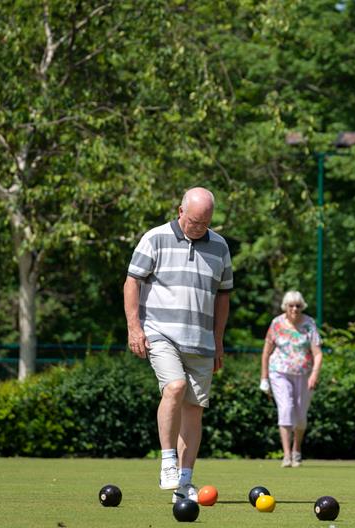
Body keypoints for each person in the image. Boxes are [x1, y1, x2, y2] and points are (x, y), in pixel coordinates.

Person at [123, 187, 233, 503]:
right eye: (194, 222)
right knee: (174, 387)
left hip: (201, 340)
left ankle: (185, 482)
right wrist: (134, 327)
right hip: (161, 333)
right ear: (180, 210)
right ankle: (167, 461)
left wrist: (218, 338)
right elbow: (132, 281)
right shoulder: (154, 238)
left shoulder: (220, 246)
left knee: (194, 409)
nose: (199, 228)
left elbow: (223, 296)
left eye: (205, 223)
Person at [259, 290, 323, 467]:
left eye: (298, 306)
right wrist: (264, 378)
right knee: (286, 408)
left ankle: (297, 450)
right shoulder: (276, 324)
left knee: (301, 416)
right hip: (279, 371)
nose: (295, 309)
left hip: (304, 373)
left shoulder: (309, 324)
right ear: (285, 307)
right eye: (291, 306)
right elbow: (266, 352)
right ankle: (287, 455)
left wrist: (315, 374)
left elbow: (317, 354)